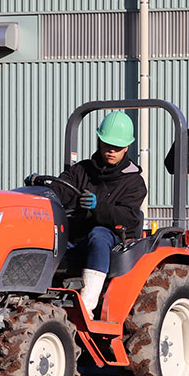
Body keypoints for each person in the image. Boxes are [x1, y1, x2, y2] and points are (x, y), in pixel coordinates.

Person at [52, 111, 147, 314]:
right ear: (99, 141)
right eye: (106, 145)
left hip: (114, 240)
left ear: (127, 147)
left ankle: (87, 303)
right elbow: (60, 190)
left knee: (99, 234)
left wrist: (98, 207)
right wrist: (41, 190)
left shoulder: (134, 182)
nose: (111, 151)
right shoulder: (81, 171)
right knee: (49, 237)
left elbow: (128, 217)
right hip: (77, 238)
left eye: (117, 147)